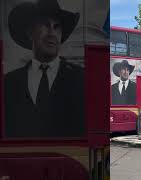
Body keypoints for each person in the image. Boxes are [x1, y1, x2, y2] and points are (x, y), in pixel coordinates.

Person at [4, 0, 85, 138]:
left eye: (57, 27)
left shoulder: (82, 78)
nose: (52, 33)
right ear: (30, 33)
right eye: (45, 25)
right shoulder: (9, 82)